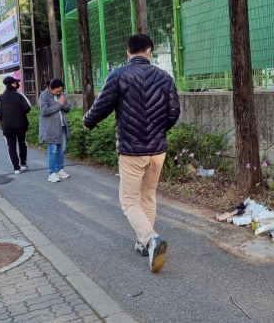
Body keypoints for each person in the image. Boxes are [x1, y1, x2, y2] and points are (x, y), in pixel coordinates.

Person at [82, 34, 180, 273]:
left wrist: (87, 122)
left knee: (129, 200)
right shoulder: (165, 77)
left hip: (131, 150)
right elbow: (173, 112)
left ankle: (150, 239)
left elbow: (102, 105)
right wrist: (157, 132)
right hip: (157, 150)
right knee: (148, 196)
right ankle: (142, 243)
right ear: (150, 51)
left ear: (128, 53)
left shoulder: (118, 75)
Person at [39, 78, 71, 183]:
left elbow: (68, 108)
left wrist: (63, 104)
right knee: (52, 150)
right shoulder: (44, 96)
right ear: (50, 88)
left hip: (62, 126)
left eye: (60, 91)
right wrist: (58, 104)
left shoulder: (61, 95)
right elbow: (44, 111)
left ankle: (59, 170)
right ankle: (52, 173)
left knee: (61, 149)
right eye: (57, 91)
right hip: (50, 128)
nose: (59, 93)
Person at [0, 76, 31, 174]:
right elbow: (28, 107)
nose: (17, 84)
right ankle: (23, 163)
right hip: (21, 125)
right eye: (15, 83)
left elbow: (0, 112)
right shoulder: (19, 95)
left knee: (11, 147)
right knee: (22, 143)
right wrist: (20, 112)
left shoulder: (1, 98)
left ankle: (16, 168)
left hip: (7, 127)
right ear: (12, 84)